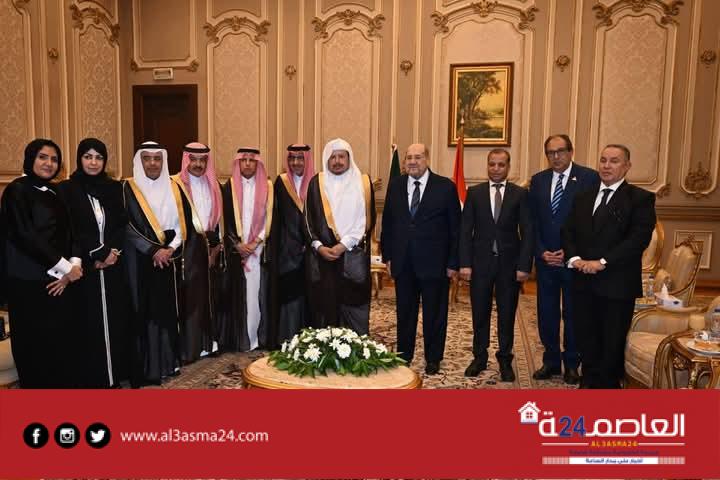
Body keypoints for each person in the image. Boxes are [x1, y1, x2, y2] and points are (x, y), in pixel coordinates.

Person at [562, 144, 655, 389]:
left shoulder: (640, 199)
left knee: (611, 343)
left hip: (616, 285)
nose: (606, 165)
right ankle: (588, 383)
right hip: (583, 281)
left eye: (614, 161)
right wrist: (574, 259)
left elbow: (637, 240)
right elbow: (568, 231)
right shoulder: (583, 196)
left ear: (627, 166)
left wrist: (602, 262)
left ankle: (607, 392)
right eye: (603, 160)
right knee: (586, 337)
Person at [0, 139, 83, 388]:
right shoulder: (16, 190)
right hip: (28, 282)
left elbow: (72, 232)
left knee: (60, 344)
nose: (49, 163)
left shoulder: (57, 192)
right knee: (33, 347)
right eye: (42, 157)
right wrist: (65, 268)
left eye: (54, 159)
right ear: (30, 159)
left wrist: (74, 266)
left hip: (61, 280)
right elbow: (25, 235)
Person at [56, 138, 131, 388]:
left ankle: (114, 376)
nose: (93, 162)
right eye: (87, 156)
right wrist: (98, 254)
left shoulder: (113, 188)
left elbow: (121, 224)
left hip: (113, 266)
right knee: (88, 324)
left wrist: (112, 253)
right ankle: (93, 379)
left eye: (98, 157)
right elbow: (70, 228)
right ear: (79, 159)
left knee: (115, 322)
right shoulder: (67, 189)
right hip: (84, 267)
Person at [380, 143, 460, 375]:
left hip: (435, 264)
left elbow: (456, 229)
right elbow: (388, 224)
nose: (412, 162)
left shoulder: (445, 187)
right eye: (409, 158)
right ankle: (404, 355)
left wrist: (453, 262)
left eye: (418, 157)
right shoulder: (396, 186)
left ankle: (433, 358)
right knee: (405, 312)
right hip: (403, 262)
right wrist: (388, 256)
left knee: (435, 314)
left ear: (427, 159)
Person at [527, 134, 599, 384]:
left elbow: (591, 222)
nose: (556, 157)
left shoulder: (588, 178)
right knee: (546, 313)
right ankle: (550, 361)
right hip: (546, 261)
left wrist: (569, 253)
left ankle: (572, 363)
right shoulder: (538, 180)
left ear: (571, 151)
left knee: (573, 314)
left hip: (574, 261)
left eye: (560, 151)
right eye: (551, 152)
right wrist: (541, 251)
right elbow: (532, 222)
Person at [459, 149, 533, 382]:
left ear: (508, 167)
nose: (496, 169)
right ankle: (479, 358)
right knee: (480, 313)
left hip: (509, 266)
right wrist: (465, 264)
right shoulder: (475, 193)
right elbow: (465, 231)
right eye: (492, 164)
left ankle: (505, 360)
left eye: (501, 165)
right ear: (487, 166)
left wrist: (524, 265)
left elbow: (528, 232)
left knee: (506, 314)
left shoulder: (520, 194)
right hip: (480, 264)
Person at [123, 141, 189, 386]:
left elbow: (183, 224)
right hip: (139, 261)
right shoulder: (127, 188)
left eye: (157, 158)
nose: (152, 163)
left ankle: (167, 363)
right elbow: (126, 226)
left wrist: (170, 249)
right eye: (147, 158)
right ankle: (146, 368)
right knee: (144, 311)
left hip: (167, 259)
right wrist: (153, 250)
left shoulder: (174, 187)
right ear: (139, 161)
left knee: (165, 311)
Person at [304, 138, 376, 335]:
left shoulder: (362, 182)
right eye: (332, 157)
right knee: (323, 305)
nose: (337, 161)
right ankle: (324, 346)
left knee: (354, 305)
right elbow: (307, 219)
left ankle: (355, 346)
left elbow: (367, 220)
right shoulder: (316, 183)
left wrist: (343, 245)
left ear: (349, 158)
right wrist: (318, 246)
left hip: (352, 255)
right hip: (323, 257)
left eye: (341, 157)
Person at [173, 142, 224, 362]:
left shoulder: (213, 184)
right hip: (188, 249)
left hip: (209, 247)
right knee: (191, 298)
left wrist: (215, 248)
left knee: (209, 296)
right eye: (193, 160)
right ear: (186, 160)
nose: (198, 164)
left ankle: (208, 344)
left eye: (202, 160)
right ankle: (190, 349)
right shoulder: (176, 185)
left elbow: (219, 221)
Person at [221, 148, 275, 351]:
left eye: (252, 160)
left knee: (257, 294)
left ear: (258, 163)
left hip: (259, 250)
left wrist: (255, 242)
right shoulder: (228, 187)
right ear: (238, 163)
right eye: (243, 160)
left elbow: (271, 219)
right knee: (240, 295)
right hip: (237, 251)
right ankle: (240, 339)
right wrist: (237, 245)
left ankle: (257, 338)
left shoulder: (268, 187)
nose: (247, 164)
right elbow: (224, 219)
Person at [272, 143, 315, 343]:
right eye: (292, 158)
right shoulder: (281, 183)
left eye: (300, 158)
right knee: (289, 294)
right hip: (286, 250)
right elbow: (276, 218)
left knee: (309, 295)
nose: (295, 162)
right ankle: (287, 337)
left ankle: (308, 338)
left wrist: (310, 241)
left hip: (312, 250)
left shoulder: (316, 183)